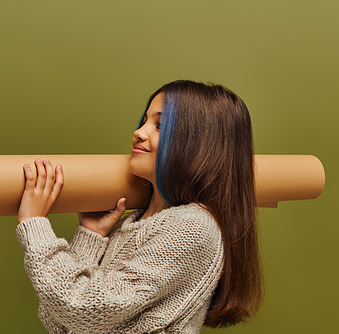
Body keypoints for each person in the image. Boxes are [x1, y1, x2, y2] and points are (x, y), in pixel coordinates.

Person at [15, 80, 263, 333]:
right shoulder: (134, 222)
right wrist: (90, 237)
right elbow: (60, 319)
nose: (139, 132)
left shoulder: (194, 227)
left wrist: (34, 224)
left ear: (200, 144)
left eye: (160, 125)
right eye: (144, 121)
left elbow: (81, 307)